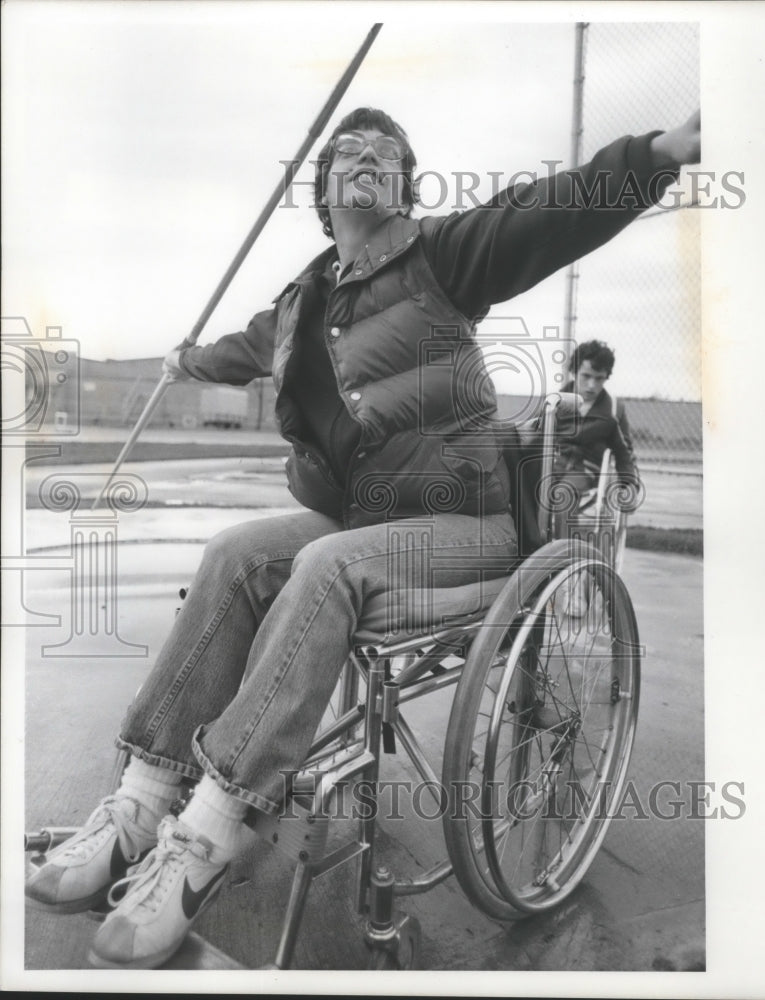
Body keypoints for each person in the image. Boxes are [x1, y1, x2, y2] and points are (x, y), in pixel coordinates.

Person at [25, 105, 701, 969]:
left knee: (324, 565)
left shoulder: (443, 256)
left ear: (404, 186)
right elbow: (241, 349)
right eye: (350, 150)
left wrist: (658, 155)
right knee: (236, 553)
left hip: (467, 524)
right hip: (363, 520)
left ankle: (209, 831)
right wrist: (185, 363)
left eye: (389, 153)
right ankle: (139, 801)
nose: (369, 158)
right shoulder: (304, 297)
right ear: (324, 185)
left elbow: (552, 209)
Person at [552, 339, 642, 536]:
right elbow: (537, 438)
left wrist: (629, 485)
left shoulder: (612, 411)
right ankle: (530, 545)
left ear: (606, 378)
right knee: (523, 487)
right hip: (554, 465)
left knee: (563, 495)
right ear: (574, 372)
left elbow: (624, 452)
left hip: (585, 470)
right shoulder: (555, 403)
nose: (592, 385)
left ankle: (563, 555)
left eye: (599, 378)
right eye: (586, 376)